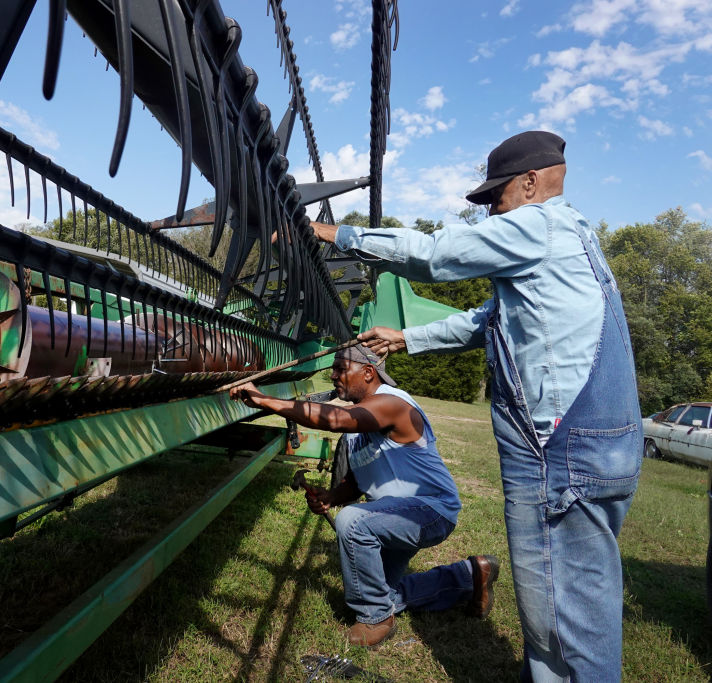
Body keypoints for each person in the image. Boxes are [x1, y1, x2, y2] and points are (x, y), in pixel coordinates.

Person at [310, 131, 642, 681]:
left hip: (561, 456)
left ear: (531, 183)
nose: (491, 211)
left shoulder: (537, 225)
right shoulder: (577, 237)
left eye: (495, 197)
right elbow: (488, 321)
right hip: (599, 448)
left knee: (564, 618)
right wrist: (407, 340)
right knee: (576, 600)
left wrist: (332, 233)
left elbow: (435, 254)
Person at [229, 344, 499, 648]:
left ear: (368, 372)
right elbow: (359, 480)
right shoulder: (358, 433)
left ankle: (375, 618)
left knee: (353, 522)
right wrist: (331, 496)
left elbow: (335, 419)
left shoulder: (393, 405)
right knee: (386, 593)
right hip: (394, 512)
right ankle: (470, 575)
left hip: (430, 510)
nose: (332, 376)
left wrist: (266, 401)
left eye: (340, 369)